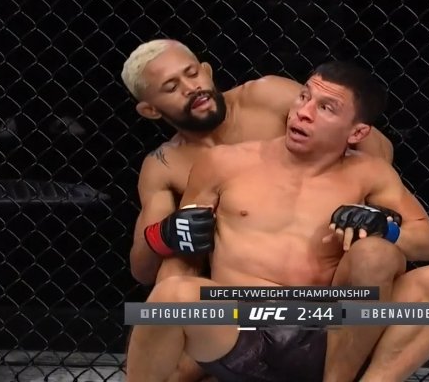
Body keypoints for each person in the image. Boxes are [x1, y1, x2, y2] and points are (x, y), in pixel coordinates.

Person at [126, 61, 429, 382]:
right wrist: (177, 351)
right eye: (304, 96)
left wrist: (384, 229)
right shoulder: (223, 163)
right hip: (241, 320)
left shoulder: (370, 173)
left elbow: (428, 243)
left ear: (357, 132)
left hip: (330, 327)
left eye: (326, 108)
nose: (303, 112)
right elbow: (184, 256)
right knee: (172, 295)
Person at [120, 39, 394, 286]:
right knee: (174, 268)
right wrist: (163, 235)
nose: (192, 88)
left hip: (328, 258)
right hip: (239, 279)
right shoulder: (164, 165)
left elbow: (376, 144)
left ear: (207, 70)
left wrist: (368, 202)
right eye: (171, 87)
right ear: (151, 110)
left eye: (192, 73)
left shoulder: (268, 97)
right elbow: (143, 271)